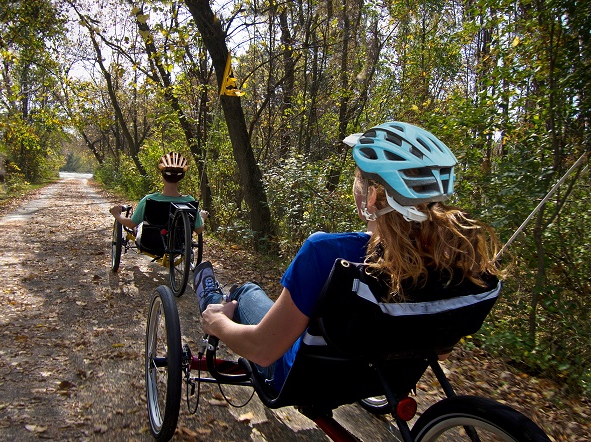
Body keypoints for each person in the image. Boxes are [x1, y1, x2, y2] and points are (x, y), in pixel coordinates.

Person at [193, 121, 502, 393]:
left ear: (372, 195)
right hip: (383, 380)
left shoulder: (325, 252)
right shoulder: (453, 264)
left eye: (358, 178)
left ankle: (212, 296)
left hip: (298, 379)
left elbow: (262, 350)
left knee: (247, 292)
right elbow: (441, 351)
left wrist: (218, 324)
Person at [110, 152, 209, 239]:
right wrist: (202, 217)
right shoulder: (189, 201)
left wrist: (117, 215)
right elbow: (199, 230)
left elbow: (131, 224)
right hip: (179, 245)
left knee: (139, 225)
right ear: (181, 177)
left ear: (162, 175)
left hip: (150, 244)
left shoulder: (149, 199)